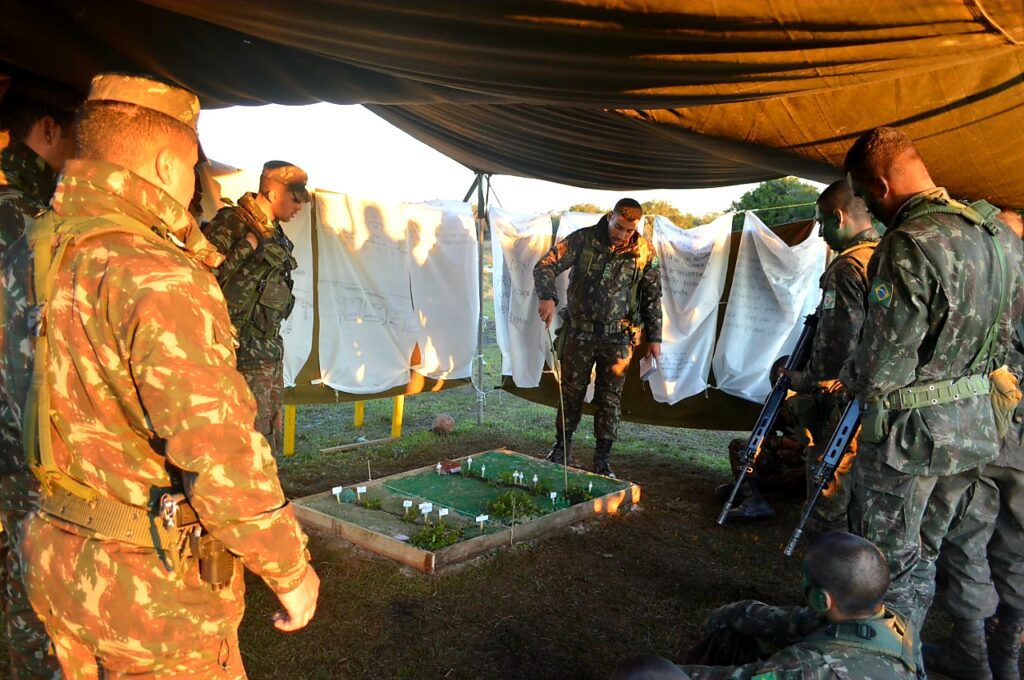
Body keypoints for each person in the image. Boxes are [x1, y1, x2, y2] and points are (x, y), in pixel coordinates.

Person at [0, 73, 319, 677]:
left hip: (48, 563)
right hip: (147, 597)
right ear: (168, 163)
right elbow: (217, 449)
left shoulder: (28, 252)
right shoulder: (154, 272)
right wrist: (289, 568)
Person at [841, 126, 1024, 676]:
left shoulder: (910, 243)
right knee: (948, 552)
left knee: (890, 565)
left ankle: (890, 666)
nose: (870, 208)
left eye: (866, 195)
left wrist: (848, 378)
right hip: (977, 431)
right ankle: (970, 662)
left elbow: (881, 367)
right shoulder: (998, 236)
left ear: (880, 182)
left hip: (911, 439)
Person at [0, 72, 81, 679]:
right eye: (76, 136)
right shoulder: (33, 221)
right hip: (25, 448)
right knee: (40, 608)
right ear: (49, 129)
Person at [928, 207, 1024, 680]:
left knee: (967, 539)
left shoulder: (992, 273)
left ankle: (974, 657)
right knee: (1017, 549)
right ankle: (1005, 659)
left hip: (987, 431)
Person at [675, 532, 920, 679]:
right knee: (732, 639)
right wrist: (728, 615)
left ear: (824, 600)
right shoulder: (898, 627)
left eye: (805, 577)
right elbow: (792, 621)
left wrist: (656, 671)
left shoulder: (804, 668)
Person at [533, 198, 662, 476]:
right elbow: (545, 265)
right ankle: (561, 448)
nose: (623, 234)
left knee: (610, 400)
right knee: (570, 394)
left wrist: (655, 338)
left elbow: (652, 295)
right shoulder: (583, 239)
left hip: (618, 338)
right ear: (610, 216)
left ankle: (602, 459)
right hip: (580, 333)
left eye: (629, 230)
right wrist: (547, 296)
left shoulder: (644, 251)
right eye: (619, 227)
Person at [780, 180, 879, 536]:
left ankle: (826, 579)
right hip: (871, 398)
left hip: (839, 402)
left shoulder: (846, 268)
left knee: (828, 496)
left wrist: (798, 381)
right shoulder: (883, 257)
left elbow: (834, 353)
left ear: (839, 216)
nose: (821, 232)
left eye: (822, 223)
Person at [202, 160, 308, 457]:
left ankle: (264, 492)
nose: (299, 207)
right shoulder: (232, 223)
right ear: (274, 194)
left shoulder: (277, 236)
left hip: (266, 351)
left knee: (267, 434)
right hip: (236, 351)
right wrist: (245, 247)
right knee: (240, 438)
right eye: (295, 198)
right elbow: (200, 277)